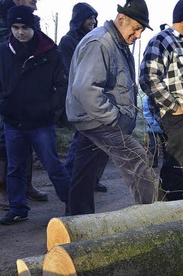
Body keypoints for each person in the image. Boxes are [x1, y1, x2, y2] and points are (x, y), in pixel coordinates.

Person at [66, 0, 157, 215]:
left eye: (141, 30)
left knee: (85, 173)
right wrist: (114, 118)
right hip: (101, 122)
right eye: (136, 29)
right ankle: (155, 217)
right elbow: (86, 88)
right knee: (137, 160)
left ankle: (77, 223)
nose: (138, 35)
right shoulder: (101, 42)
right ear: (121, 19)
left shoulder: (116, 43)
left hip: (94, 120)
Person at [0, 5, 70, 224]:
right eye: (15, 27)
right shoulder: (3, 51)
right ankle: (17, 208)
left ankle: (73, 204)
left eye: (25, 27)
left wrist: (50, 108)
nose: (20, 32)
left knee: (52, 164)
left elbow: (62, 85)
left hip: (41, 123)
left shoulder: (50, 53)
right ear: (10, 28)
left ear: (33, 27)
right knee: (15, 168)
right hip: (13, 121)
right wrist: (0, 104)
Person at [0, 0, 47, 210]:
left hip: (26, 86)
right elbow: (8, 48)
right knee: (4, 134)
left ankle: (24, 184)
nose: (35, 7)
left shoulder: (26, 19)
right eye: (32, 1)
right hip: (4, 87)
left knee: (27, 131)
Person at [139, 0, 183, 201]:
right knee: (176, 166)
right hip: (176, 116)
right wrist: (173, 106)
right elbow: (148, 77)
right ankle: (170, 212)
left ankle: (178, 204)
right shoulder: (162, 40)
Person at [58, 2, 108, 193]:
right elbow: (69, 71)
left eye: (95, 18)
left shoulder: (93, 40)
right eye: (89, 17)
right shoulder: (68, 41)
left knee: (99, 143)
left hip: (95, 96)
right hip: (78, 98)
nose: (93, 22)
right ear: (79, 19)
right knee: (81, 140)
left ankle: (92, 179)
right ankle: (71, 178)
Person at [143, 96, 165, 168]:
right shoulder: (148, 98)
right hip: (155, 125)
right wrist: (151, 123)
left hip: (156, 125)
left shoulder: (148, 98)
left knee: (158, 144)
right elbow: (147, 112)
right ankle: (154, 162)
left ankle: (155, 162)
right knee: (154, 145)